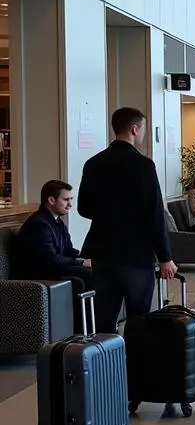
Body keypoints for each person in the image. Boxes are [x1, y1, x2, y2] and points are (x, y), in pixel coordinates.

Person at [77, 107, 176, 332]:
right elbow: (154, 215)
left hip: (101, 253)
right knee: (138, 318)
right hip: (135, 255)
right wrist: (165, 257)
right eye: (142, 130)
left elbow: (83, 208)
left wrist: (109, 214)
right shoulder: (143, 165)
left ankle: (106, 364)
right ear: (134, 129)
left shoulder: (93, 164)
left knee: (104, 317)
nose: (142, 136)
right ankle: (136, 364)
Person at [14, 181, 95, 322]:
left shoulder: (57, 221)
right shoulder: (39, 224)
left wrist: (89, 259)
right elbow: (50, 259)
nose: (70, 204)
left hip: (50, 268)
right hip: (36, 273)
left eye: (71, 199)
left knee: (95, 270)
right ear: (51, 200)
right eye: (66, 199)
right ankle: (83, 327)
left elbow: (68, 251)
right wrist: (82, 263)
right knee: (85, 275)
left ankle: (91, 324)